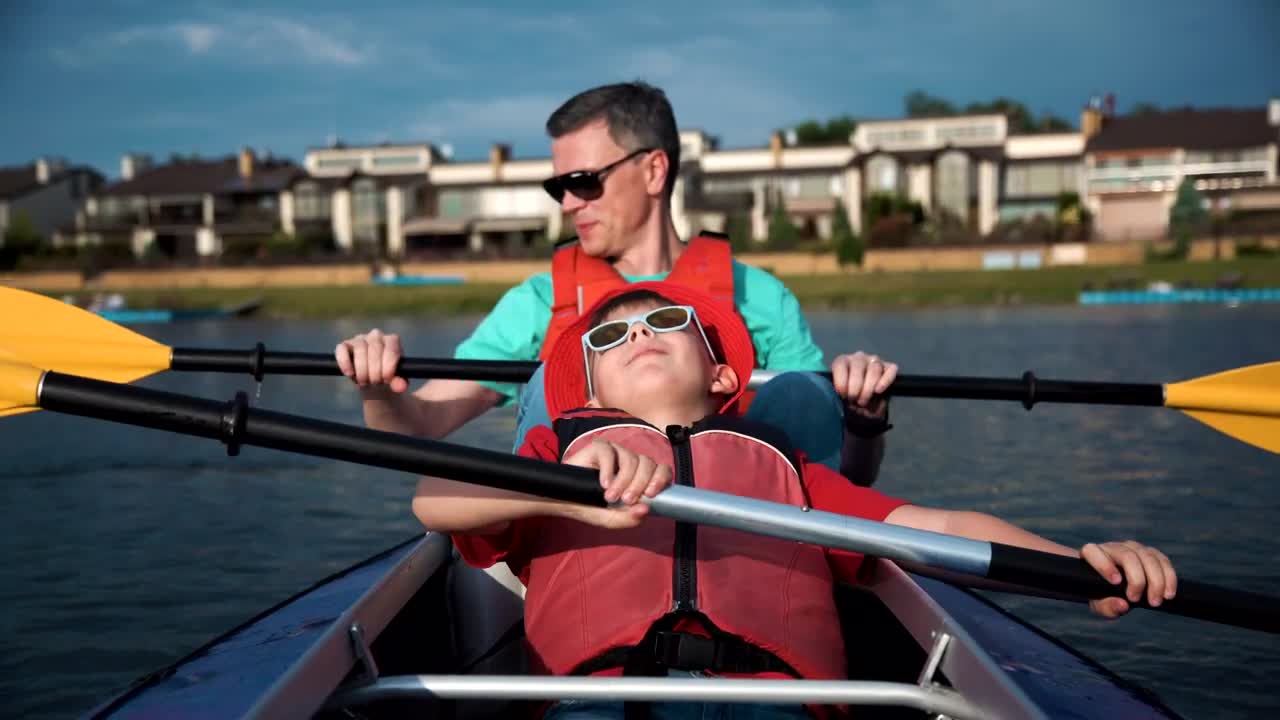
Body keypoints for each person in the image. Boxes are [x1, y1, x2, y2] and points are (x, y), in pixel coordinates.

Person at [413, 282, 1179, 720]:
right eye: (609, 340)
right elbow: (434, 502)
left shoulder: (790, 471)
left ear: (722, 377)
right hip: (599, 704)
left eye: (667, 322)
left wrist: (1077, 568)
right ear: (591, 395)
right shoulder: (560, 454)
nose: (639, 334)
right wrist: (567, 492)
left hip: (777, 706)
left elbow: (937, 527)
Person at [337, 81, 896, 485]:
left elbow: (847, 480)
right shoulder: (536, 302)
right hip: (586, 541)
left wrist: (865, 421)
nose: (568, 203)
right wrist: (377, 391)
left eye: (584, 182)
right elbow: (418, 426)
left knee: (801, 392)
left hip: (739, 538)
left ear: (653, 170)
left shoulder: (761, 298)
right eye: (558, 187)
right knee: (544, 386)